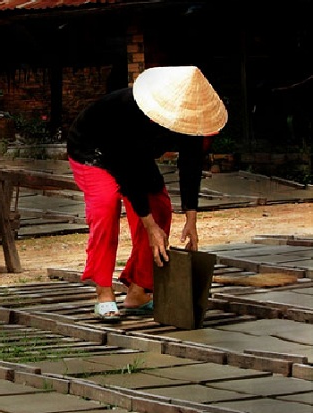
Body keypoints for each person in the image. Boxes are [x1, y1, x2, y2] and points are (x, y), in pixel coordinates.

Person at [66, 66, 227, 322]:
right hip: (92, 150)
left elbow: (190, 165)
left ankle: (138, 291)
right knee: (106, 206)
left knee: (160, 206)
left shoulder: (194, 121)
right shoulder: (132, 111)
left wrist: (191, 219)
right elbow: (127, 171)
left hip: (134, 156)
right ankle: (104, 293)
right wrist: (149, 225)